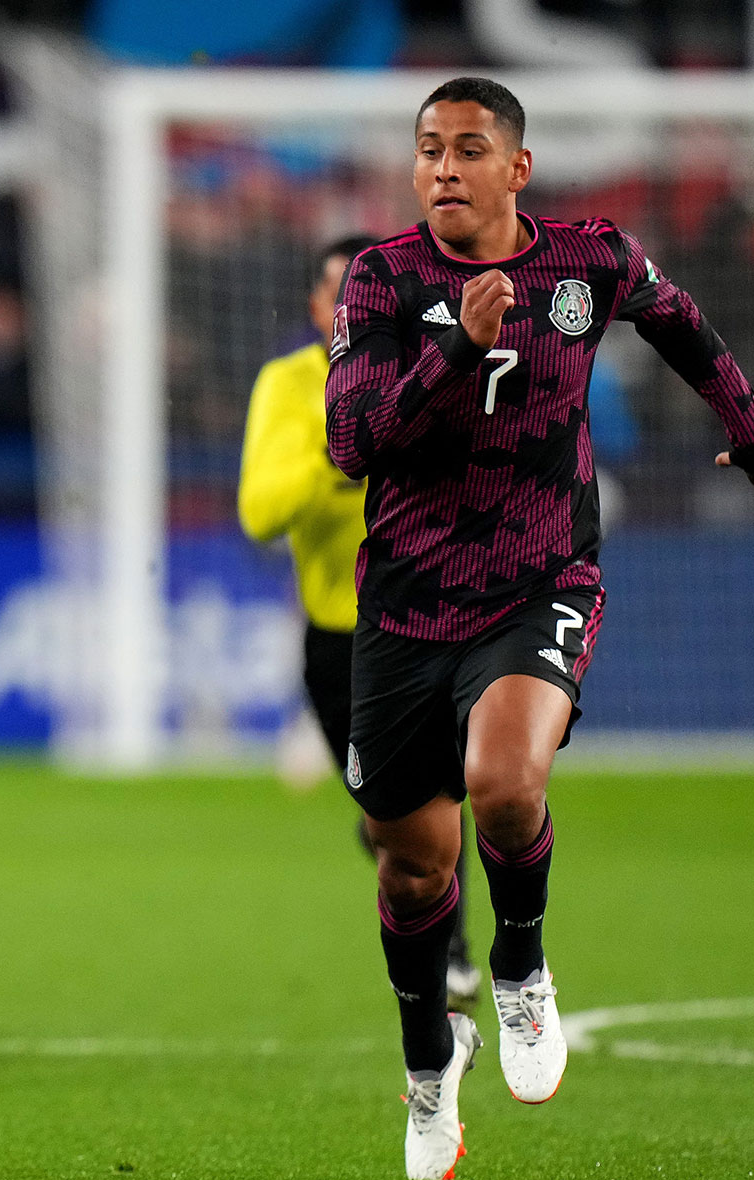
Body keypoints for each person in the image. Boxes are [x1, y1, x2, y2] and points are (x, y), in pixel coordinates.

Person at [325, 77, 754, 1180]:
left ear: (514, 167)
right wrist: (449, 349)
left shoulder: (585, 261)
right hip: (404, 604)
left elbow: (674, 316)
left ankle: (520, 967)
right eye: (428, 148)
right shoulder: (379, 279)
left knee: (506, 781)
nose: (441, 166)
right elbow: (351, 443)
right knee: (408, 869)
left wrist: (749, 421)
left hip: (539, 577)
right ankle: (429, 1069)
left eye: (467, 147)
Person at [239, 236, 480, 1011]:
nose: (355, 310)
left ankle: (455, 956)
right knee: (392, 818)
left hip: (431, 615)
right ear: (316, 307)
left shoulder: (436, 372)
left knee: (448, 787)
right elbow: (258, 513)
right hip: (339, 637)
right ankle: (387, 844)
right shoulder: (289, 385)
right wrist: (336, 452)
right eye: (340, 295)